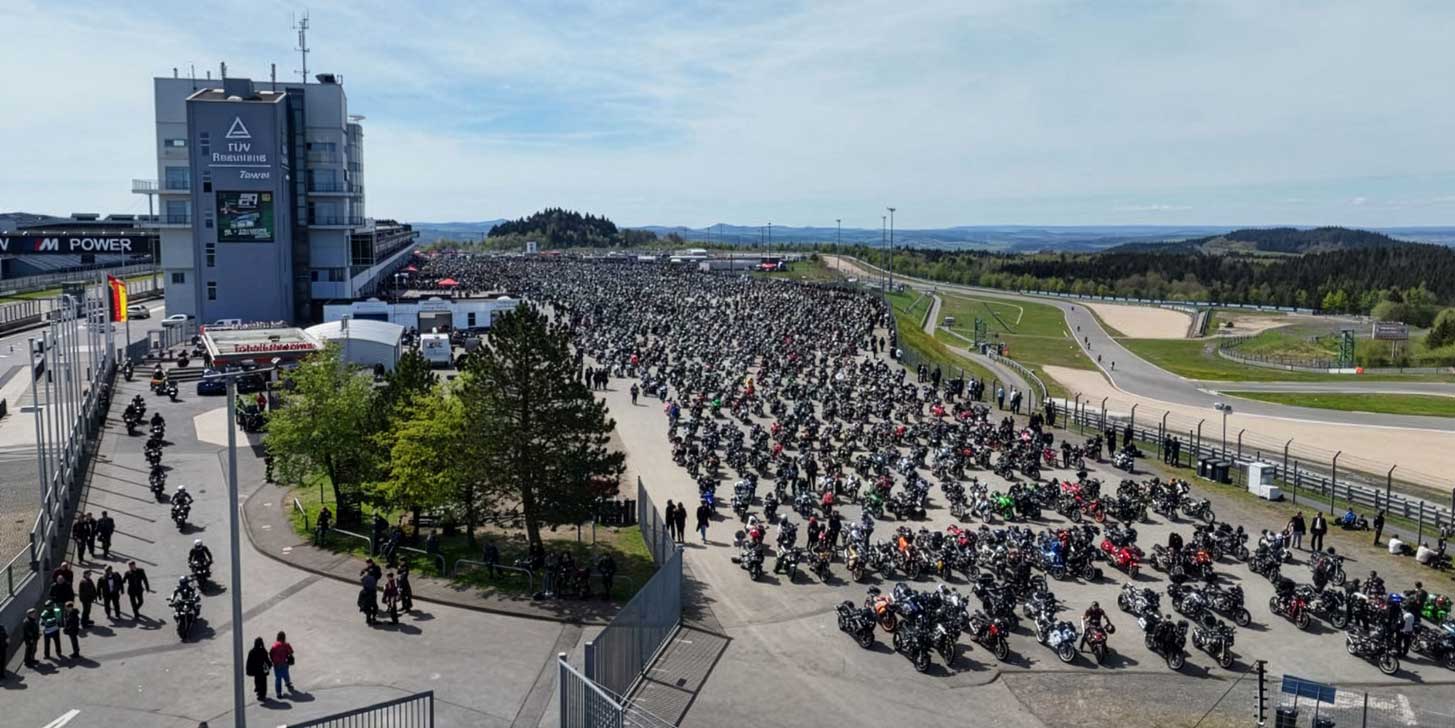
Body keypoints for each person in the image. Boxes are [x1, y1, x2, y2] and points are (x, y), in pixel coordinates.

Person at [269, 631, 295, 696]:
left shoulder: (274, 645)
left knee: (278, 678)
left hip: (276, 664)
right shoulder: (286, 644)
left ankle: (278, 693)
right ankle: (287, 683)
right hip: (284, 662)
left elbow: (271, 653)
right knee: (286, 674)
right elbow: (291, 652)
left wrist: (273, 661)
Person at [246, 637, 271, 701]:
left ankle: (258, 689)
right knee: (263, 683)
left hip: (255, 670)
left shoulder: (252, 651)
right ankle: (262, 695)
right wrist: (270, 665)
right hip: (262, 670)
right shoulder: (263, 651)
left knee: (257, 680)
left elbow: (249, 661)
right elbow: (267, 660)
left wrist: (248, 670)